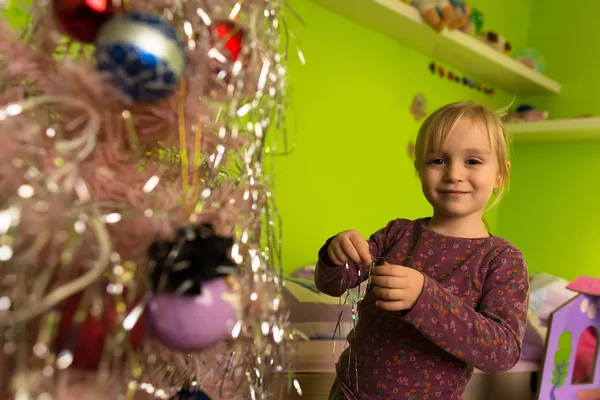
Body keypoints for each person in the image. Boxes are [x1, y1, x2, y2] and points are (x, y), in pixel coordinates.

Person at [315, 101, 529, 399]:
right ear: (419, 169)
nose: (454, 173)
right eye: (438, 160)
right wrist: (336, 253)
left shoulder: (500, 259)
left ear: (499, 176)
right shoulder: (397, 234)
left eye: (473, 161)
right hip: (350, 392)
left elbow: (502, 352)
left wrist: (424, 299)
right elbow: (333, 284)